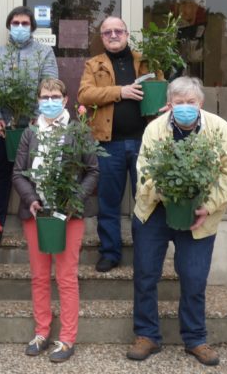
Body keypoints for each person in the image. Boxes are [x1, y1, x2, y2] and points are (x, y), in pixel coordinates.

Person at [130, 76, 227, 366]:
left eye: (190, 102)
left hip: (199, 214)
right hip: (153, 210)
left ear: (200, 103)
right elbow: (144, 169)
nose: (184, 108)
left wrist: (208, 205)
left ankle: (195, 338)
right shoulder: (155, 129)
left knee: (194, 277)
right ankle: (147, 335)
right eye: (178, 103)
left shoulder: (220, 129)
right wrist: (169, 193)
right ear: (169, 104)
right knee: (145, 274)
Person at [12, 79, 99, 363]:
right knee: (39, 276)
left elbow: (93, 172)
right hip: (36, 214)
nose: (49, 101)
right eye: (44, 96)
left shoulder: (78, 131)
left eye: (54, 96)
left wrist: (73, 202)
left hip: (68, 215)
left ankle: (67, 338)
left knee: (65, 276)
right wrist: (31, 200)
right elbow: (18, 173)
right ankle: (41, 332)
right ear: (38, 100)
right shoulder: (30, 132)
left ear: (65, 100)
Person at [78, 16, 149, 272]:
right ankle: (110, 252)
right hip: (109, 145)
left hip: (144, 142)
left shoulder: (145, 61)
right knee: (108, 202)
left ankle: (146, 253)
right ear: (102, 37)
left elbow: (161, 89)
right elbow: (85, 95)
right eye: (107, 32)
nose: (113, 35)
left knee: (146, 200)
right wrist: (121, 92)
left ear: (127, 34)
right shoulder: (93, 64)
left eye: (118, 30)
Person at [0, 6, 58, 244]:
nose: (20, 27)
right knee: (1, 175)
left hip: (35, 126)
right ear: (9, 26)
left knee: (38, 173)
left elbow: (49, 86)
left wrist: (38, 118)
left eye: (25, 24)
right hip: (2, 127)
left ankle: (39, 221)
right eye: (15, 23)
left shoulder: (44, 53)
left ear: (33, 28)